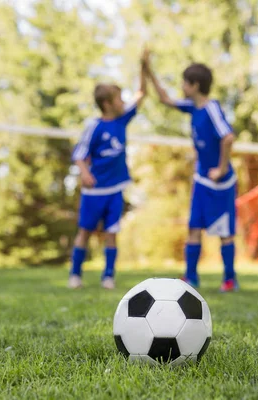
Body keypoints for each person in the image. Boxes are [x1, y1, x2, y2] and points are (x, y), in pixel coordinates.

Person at [145, 53, 239, 292]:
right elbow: (165, 99)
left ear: (195, 85)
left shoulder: (212, 109)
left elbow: (228, 137)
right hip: (201, 180)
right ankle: (191, 277)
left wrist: (222, 168)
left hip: (221, 184)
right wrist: (148, 70)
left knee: (224, 231)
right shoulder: (192, 107)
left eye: (184, 82)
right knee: (194, 226)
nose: (181, 87)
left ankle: (229, 279)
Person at [68, 50, 148, 290]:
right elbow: (79, 155)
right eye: (119, 98)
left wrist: (144, 67)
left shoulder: (122, 120)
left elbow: (142, 93)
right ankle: (75, 275)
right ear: (107, 104)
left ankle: (108, 276)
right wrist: (85, 173)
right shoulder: (94, 127)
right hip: (94, 192)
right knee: (85, 232)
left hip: (115, 189)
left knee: (112, 233)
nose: (124, 102)